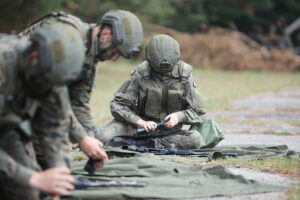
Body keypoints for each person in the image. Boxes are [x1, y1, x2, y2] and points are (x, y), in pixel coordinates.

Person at [22, 10, 143, 167]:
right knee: (26, 173)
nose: (114, 59)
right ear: (106, 34)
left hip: (32, 107)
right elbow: (50, 96)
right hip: (12, 102)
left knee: (56, 166)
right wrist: (82, 139)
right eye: (115, 52)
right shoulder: (65, 38)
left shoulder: (89, 55)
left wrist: (93, 141)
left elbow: (79, 103)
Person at [0, 24, 84, 199]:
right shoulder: (4, 64)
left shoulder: (52, 75)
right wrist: (31, 177)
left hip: (6, 131)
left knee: (27, 191)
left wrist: (58, 168)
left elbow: (54, 127)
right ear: (33, 56)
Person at [96, 34, 207, 149]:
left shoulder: (184, 76)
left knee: (196, 139)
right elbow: (118, 105)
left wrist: (179, 116)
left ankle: (145, 144)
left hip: (168, 133)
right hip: (137, 128)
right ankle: (140, 143)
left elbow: (198, 111)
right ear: (150, 61)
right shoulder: (140, 73)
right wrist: (140, 122)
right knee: (100, 136)